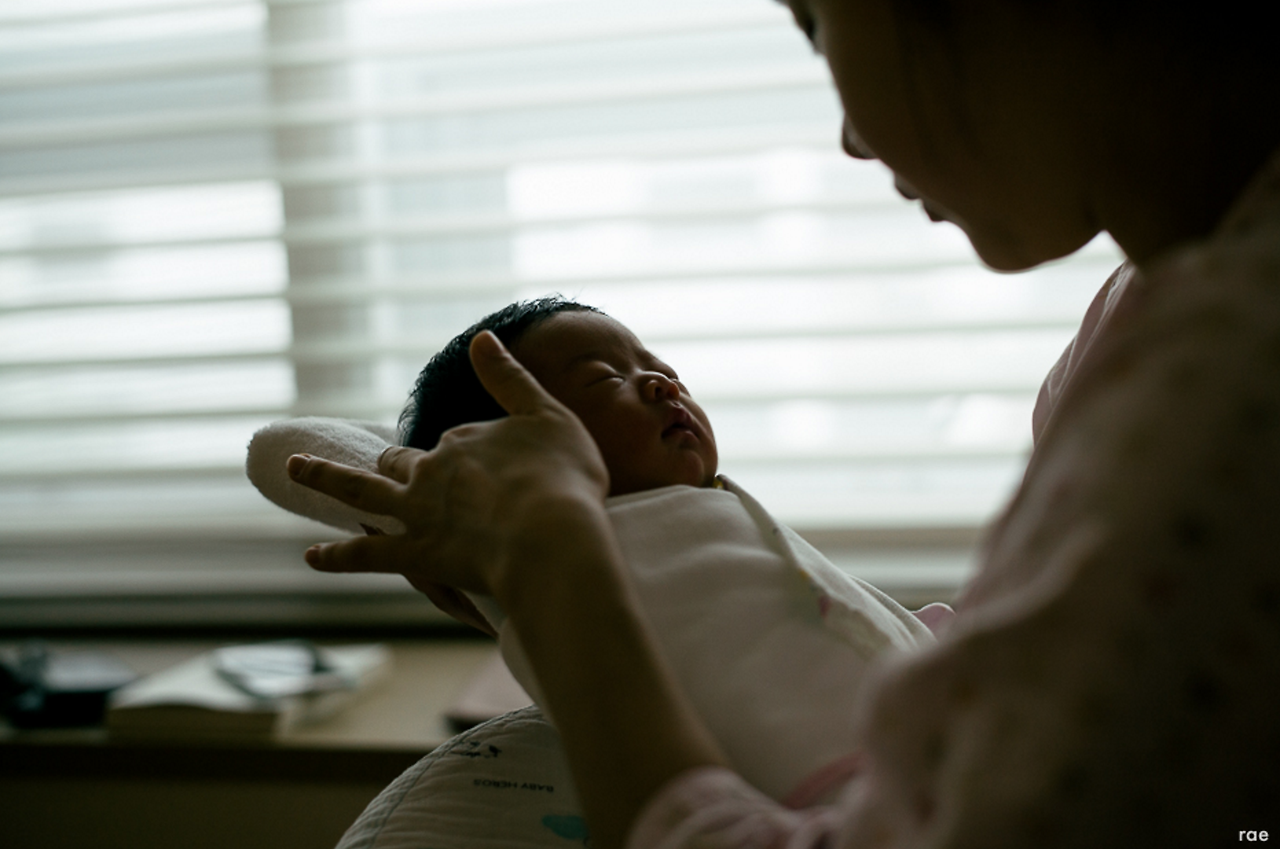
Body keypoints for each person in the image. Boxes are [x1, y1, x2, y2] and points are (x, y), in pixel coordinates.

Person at [286, 0, 1280, 845]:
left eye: (816, 23)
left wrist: (551, 562)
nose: (851, 132)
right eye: (602, 377)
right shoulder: (1142, 322)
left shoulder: (1221, 360)